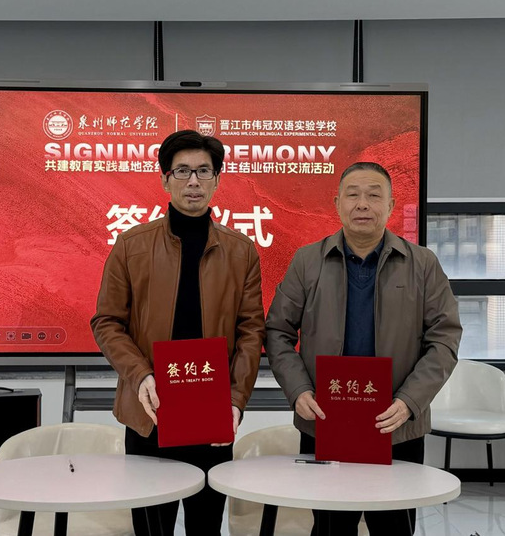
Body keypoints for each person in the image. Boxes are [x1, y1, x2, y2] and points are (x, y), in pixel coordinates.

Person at [266, 161, 462, 536]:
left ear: (390, 206)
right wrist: (299, 390)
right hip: (325, 420)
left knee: (394, 527)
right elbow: (277, 330)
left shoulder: (422, 264)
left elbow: (445, 338)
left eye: (374, 195)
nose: (362, 204)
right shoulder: (308, 261)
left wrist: (410, 401)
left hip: (396, 425)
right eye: (353, 195)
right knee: (330, 526)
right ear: (337, 203)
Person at [91, 129, 266, 536]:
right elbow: (107, 322)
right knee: (152, 528)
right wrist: (141, 376)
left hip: (212, 414)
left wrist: (236, 400)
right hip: (150, 411)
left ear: (217, 180)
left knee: (205, 527)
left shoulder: (241, 251)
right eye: (182, 171)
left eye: (204, 171)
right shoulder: (131, 245)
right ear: (164, 179)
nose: (193, 181)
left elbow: (251, 331)